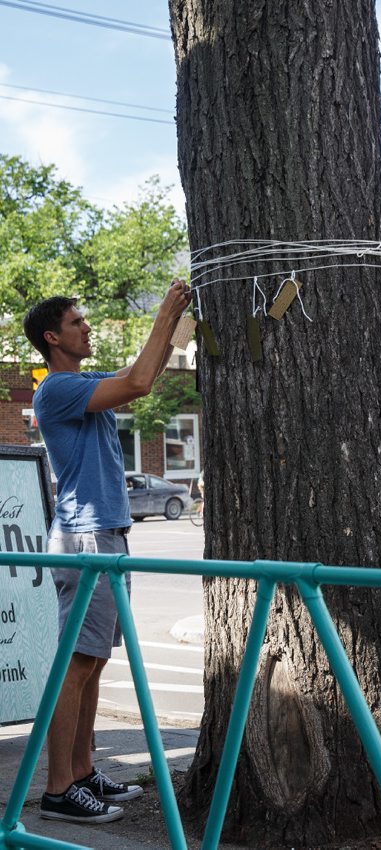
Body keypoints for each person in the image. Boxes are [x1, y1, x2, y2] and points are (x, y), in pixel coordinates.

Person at [23, 280, 191, 825]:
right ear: (53, 337)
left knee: (93, 662)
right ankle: (57, 790)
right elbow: (140, 381)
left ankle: (82, 771)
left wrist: (180, 325)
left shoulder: (84, 382)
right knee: (75, 665)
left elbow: (143, 374)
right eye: (77, 322)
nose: (87, 326)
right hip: (84, 538)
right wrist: (165, 309)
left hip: (104, 535)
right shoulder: (56, 389)